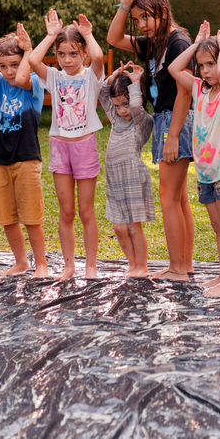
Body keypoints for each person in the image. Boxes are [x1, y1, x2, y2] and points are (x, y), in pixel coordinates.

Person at [107, 0, 195, 280]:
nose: (142, 24)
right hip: (165, 119)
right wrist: (125, 4)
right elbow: (114, 37)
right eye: (137, 19)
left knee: (168, 198)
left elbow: (187, 92)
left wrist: (172, 137)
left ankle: (177, 269)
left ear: (162, 10)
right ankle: (185, 264)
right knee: (179, 199)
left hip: (176, 121)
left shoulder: (177, 42)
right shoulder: (154, 42)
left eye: (146, 16)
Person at [16, 10, 106, 281]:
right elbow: (32, 59)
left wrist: (88, 35)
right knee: (66, 212)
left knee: (85, 211)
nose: (67, 60)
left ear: (84, 55)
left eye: (74, 54)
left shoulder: (91, 76)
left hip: (84, 147)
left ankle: (91, 266)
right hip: (60, 148)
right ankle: (69, 266)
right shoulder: (53, 77)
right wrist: (51, 35)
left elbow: (100, 57)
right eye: (62, 54)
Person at [169, 22, 220, 297]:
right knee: (217, 228)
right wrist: (198, 41)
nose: (206, 71)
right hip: (205, 172)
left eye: (210, 64)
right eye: (202, 65)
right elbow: (174, 69)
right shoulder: (200, 89)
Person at [0, 23, 48, 278]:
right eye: (3, 66)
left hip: (27, 156)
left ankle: (41, 264)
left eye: (15, 64)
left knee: (31, 217)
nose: (9, 72)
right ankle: (20, 262)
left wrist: (28, 52)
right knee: (7, 217)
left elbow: (21, 78)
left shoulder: (34, 82)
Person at [100, 62, 156, 278]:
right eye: (117, 106)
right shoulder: (115, 119)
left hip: (133, 176)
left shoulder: (142, 121)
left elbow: (135, 108)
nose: (122, 110)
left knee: (134, 227)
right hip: (114, 178)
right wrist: (115, 75)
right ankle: (132, 265)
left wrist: (135, 82)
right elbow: (104, 93)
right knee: (119, 228)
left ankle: (142, 266)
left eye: (125, 104)